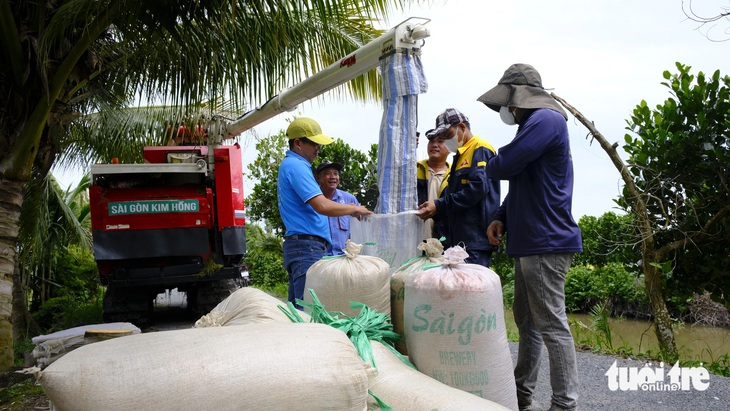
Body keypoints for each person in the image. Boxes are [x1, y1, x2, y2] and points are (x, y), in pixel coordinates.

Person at [477, 63, 583, 411]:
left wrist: (488, 165)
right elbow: (521, 180)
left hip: (545, 241)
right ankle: (521, 395)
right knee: (528, 321)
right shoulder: (534, 124)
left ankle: (564, 404)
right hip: (531, 241)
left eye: (508, 101)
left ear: (519, 97)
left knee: (550, 323)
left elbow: (507, 164)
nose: (508, 110)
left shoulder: (545, 119)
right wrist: (501, 217)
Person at [277, 117, 372, 307]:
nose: (318, 149)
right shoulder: (296, 166)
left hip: (306, 246)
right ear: (298, 143)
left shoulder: (296, 166)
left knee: (301, 308)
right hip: (306, 247)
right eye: (314, 143)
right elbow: (322, 206)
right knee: (307, 309)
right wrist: (354, 209)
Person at [416, 108, 500, 267]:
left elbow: (478, 188)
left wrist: (439, 204)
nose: (447, 141)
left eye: (447, 136)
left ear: (462, 127)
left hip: (474, 239)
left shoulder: (480, 148)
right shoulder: (460, 156)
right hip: (458, 241)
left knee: (472, 288)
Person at [314, 160, 360, 255]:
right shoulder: (312, 199)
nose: (333, 177)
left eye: (336, 173)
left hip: (343, 258)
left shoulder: (349, 199)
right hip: (319, 258)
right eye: (328, 173)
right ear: (318, 178)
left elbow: (360, 225)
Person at [416, 133, 450, 240]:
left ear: (450, 147)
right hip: (414, 238)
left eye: (440, 141)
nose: (434, 145)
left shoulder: (455, 175)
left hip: (442, 241)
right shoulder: (414, 169)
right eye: (431, 141)